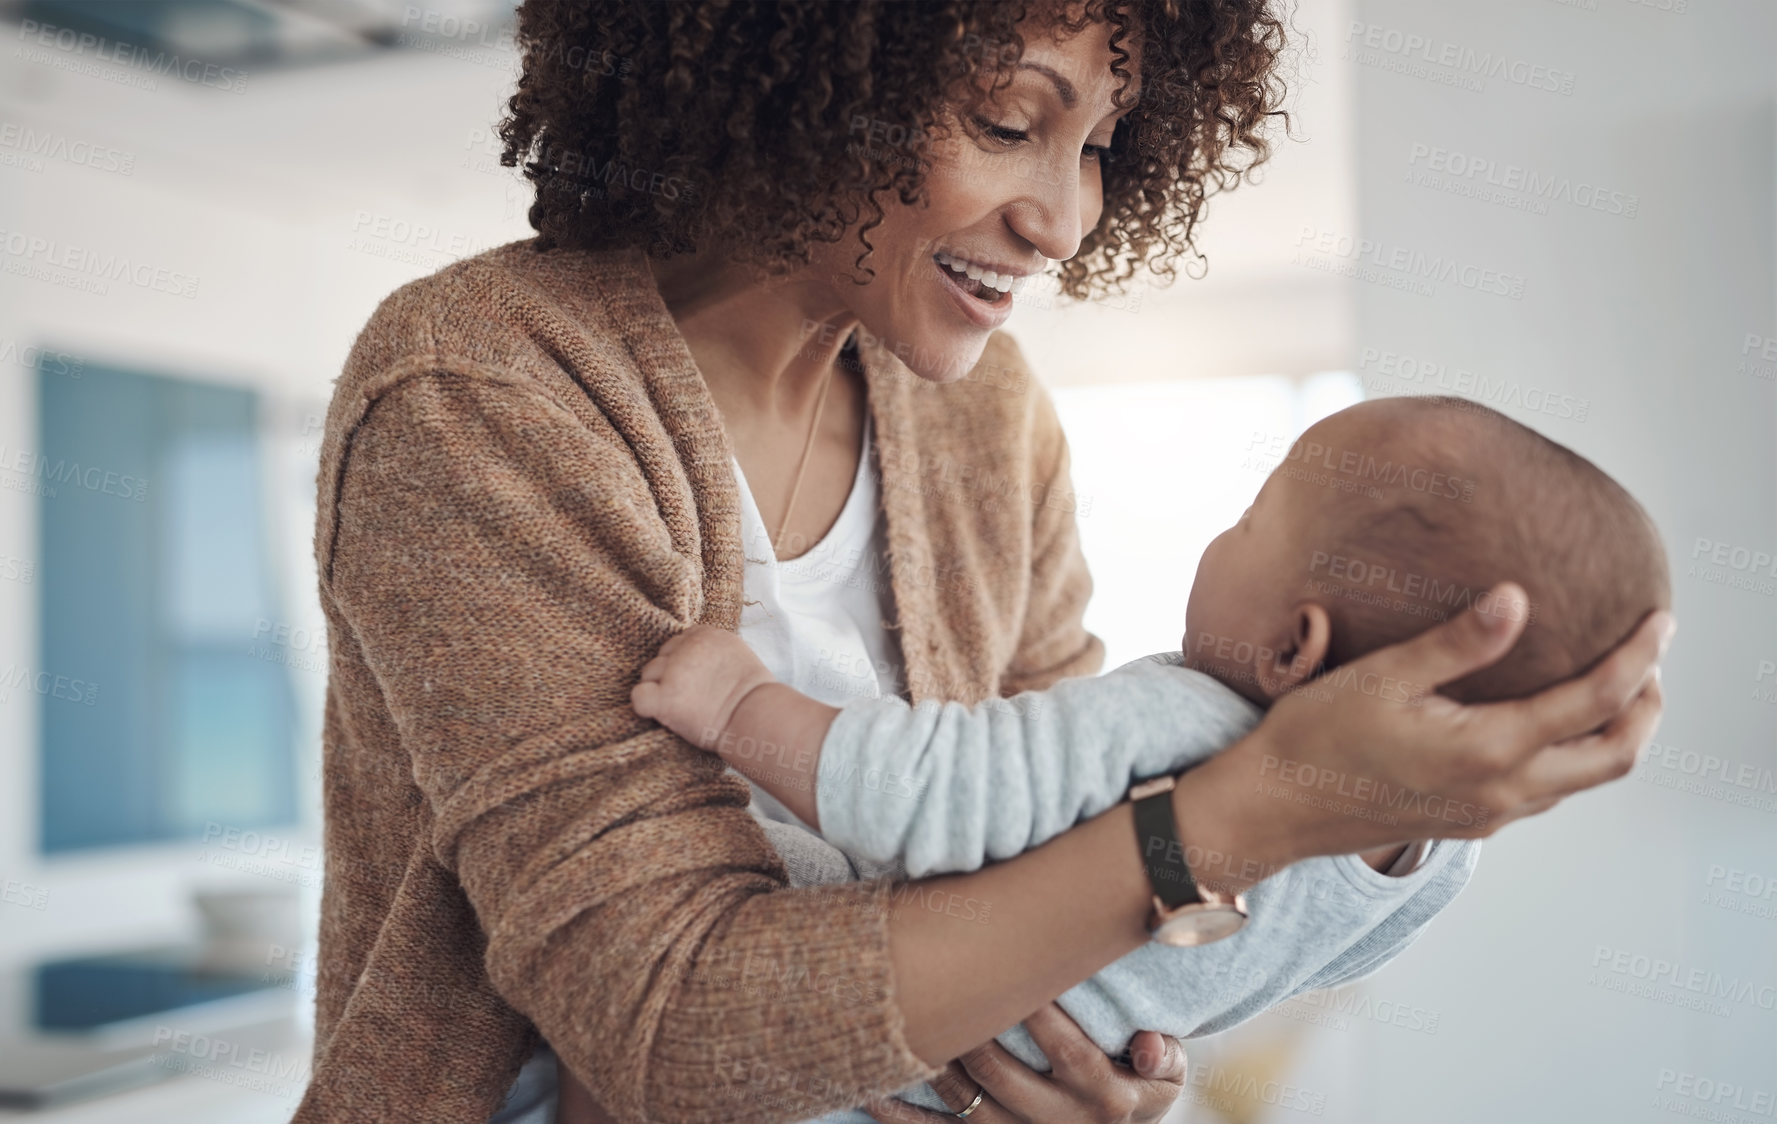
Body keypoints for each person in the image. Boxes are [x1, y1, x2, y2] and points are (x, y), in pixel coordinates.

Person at [294, 3, 1672, 1123]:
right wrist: (1247, 818)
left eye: (1098, 148)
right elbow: (665, 1028)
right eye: (1011, 123)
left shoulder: (988, 420)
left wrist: (1104, 1067)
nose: (1063, 220)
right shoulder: (481, 392)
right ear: (800, 72)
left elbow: (1079, 836)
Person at [630, 394, 1671, 1119]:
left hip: (844, 1049)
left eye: (1249, 517)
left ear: (1292, 646)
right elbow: (1245, 964)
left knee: (735, 867)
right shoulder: (1427, 861)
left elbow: (925, 793)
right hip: (1002, 1080)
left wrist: (740, 706)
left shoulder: (1177, 723)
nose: (1220, 536)